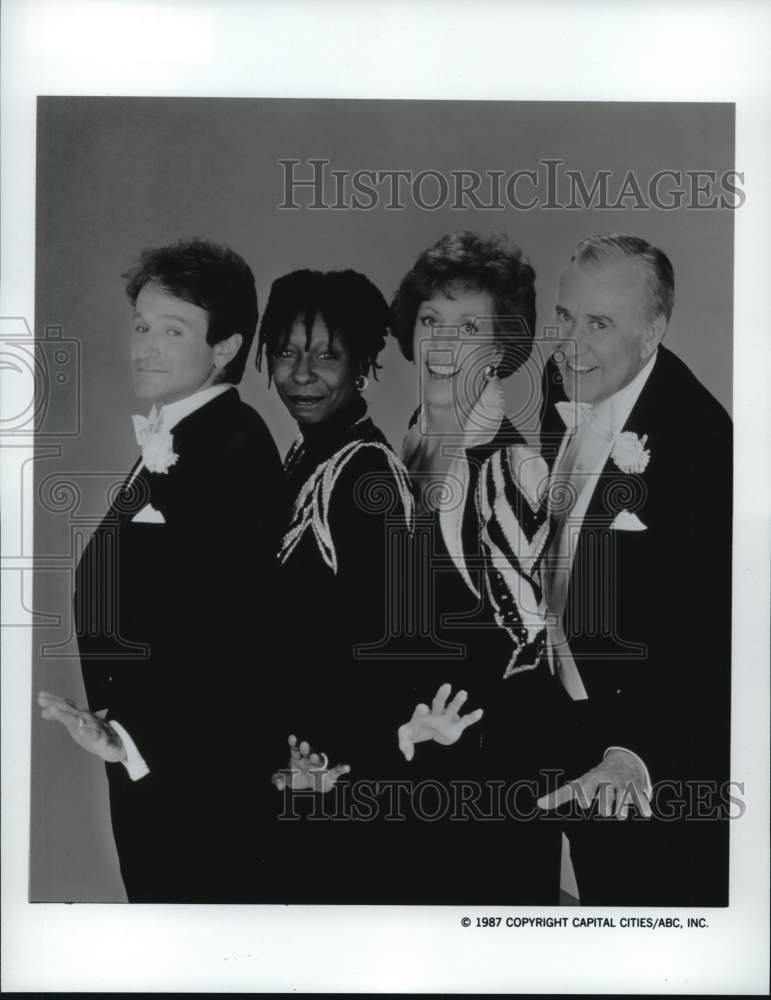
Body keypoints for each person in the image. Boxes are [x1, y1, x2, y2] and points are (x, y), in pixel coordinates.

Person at [38, 238, 286, 902]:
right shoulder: (180, 438)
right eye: (142, 325)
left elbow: (235, 641)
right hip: (158, 780)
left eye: (172, 330)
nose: (145, 345)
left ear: (226, 348)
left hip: (206, 796)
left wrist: (132, 741)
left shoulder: (234, 449)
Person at [535, 233, 732, 905]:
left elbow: (713, 641)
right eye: (563, 316)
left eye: (597, 324)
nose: (569, 343)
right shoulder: (561, 381)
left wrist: (633, 754)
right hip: (552, 720)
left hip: (638, 755)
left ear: (651, 333)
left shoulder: (705, 445)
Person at [388, 231, 569, 904]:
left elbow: (529, 657)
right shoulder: (400, 448)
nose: (441, 344)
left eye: (468, 327)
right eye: (430, 320)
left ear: (497, 351)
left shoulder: (512, 469)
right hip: (405, 772)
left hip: (487, 789)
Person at [255, 267, 414, 903]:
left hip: (340, 779)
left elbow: (391, 648)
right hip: (294, 770)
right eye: (288, 353)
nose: (301, 373)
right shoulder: (303, 457)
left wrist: (333, 763)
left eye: (327, 355)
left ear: (362, 364)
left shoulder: (368, 473)